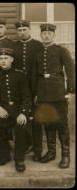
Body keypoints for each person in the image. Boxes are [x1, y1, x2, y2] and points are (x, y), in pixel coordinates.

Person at [32, 23, 75, 169]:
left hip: (58, 92)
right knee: (48, 122)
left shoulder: (61, 50)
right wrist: (36, 93)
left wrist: (69, 90)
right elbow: (35, 75)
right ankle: (51, 152)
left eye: (49, 33)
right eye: (43, 33)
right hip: (43, 92)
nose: (46, 35)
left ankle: (65, 155)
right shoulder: (38, 53)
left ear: (53, 35)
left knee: (62, 124)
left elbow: (70, 71)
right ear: (40, 35)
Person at [0, 48, 32, 172]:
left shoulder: (20, 75)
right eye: (1, 58)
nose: (3, 61)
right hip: (3, 109)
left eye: (6, 58)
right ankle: (4, 155)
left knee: (21, 127)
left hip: (18, 109)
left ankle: (19, 159)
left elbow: (27, 96)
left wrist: (23, 112)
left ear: (12, 60)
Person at [13, 20, 43, 161]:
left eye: (24, 29)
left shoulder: (38, 46)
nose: (22, 32)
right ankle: (24, 145)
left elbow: (42, 70)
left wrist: (38, 92)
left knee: (36, 119)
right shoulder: (14, 46)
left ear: (29, 30)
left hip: (35, 87)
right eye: (19, 30)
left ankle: (37, 150)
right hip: (19, 89)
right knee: (22, 118)